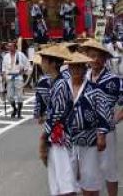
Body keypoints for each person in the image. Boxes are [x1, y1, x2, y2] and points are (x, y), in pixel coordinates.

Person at [41, 51, 110, 196]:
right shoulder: (61, 87)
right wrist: (45, 137)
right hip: (65, 141)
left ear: (85, 68)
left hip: (89, 140)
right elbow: (53, 112)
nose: (76, 70)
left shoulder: (95, 90)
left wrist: (101, 134)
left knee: (90, 182)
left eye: (80, 67)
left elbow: (103, 114)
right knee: (66, 184)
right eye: (73, 67)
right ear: (69, 68)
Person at [81, 39, 123, 196]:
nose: (95, 60)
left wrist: (114, 120)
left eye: (99, 56)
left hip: (107, 131)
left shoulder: (114, 79)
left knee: (109, 168)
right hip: (86, 131)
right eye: (92, 56)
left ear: (105, 59)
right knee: (90, 170)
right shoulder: (83, 78)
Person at [33, 47, 67, 125]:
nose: (41, 64)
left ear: (53, 63)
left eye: (44, 61)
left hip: (60, 125)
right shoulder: (59, 80)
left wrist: (44, 116)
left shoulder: (61, 84)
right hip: (53, 124)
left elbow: (60, 111)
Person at [2, 41, 30, 118]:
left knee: (20, 96)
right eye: (8, 46)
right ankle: (14, 108)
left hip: (18, 77)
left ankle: (19, 112)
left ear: (15, 47)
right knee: (9, 96)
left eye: (11, 46)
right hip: (9, 77)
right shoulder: (6, 56)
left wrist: (23, 71)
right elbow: (3, 68)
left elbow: (27, 65)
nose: (9, 48)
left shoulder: (21, 55)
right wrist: (4, 77)